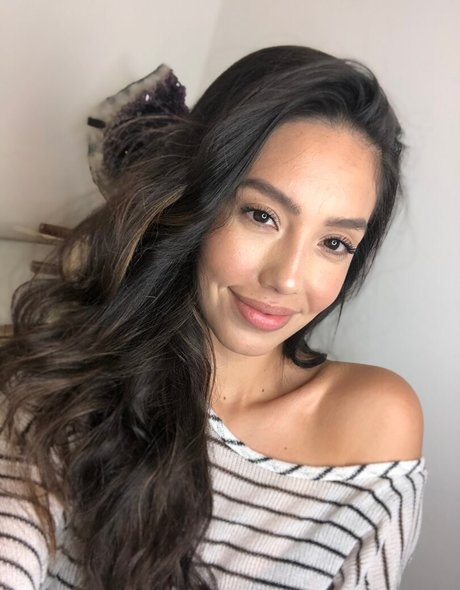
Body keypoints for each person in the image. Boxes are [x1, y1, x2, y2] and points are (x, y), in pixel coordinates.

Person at [0, 45, 425, 590]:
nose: (287, 279)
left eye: (335, 242)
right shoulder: (66, 384)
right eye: (262, 215)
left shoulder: (374, 426)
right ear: (193, 197)